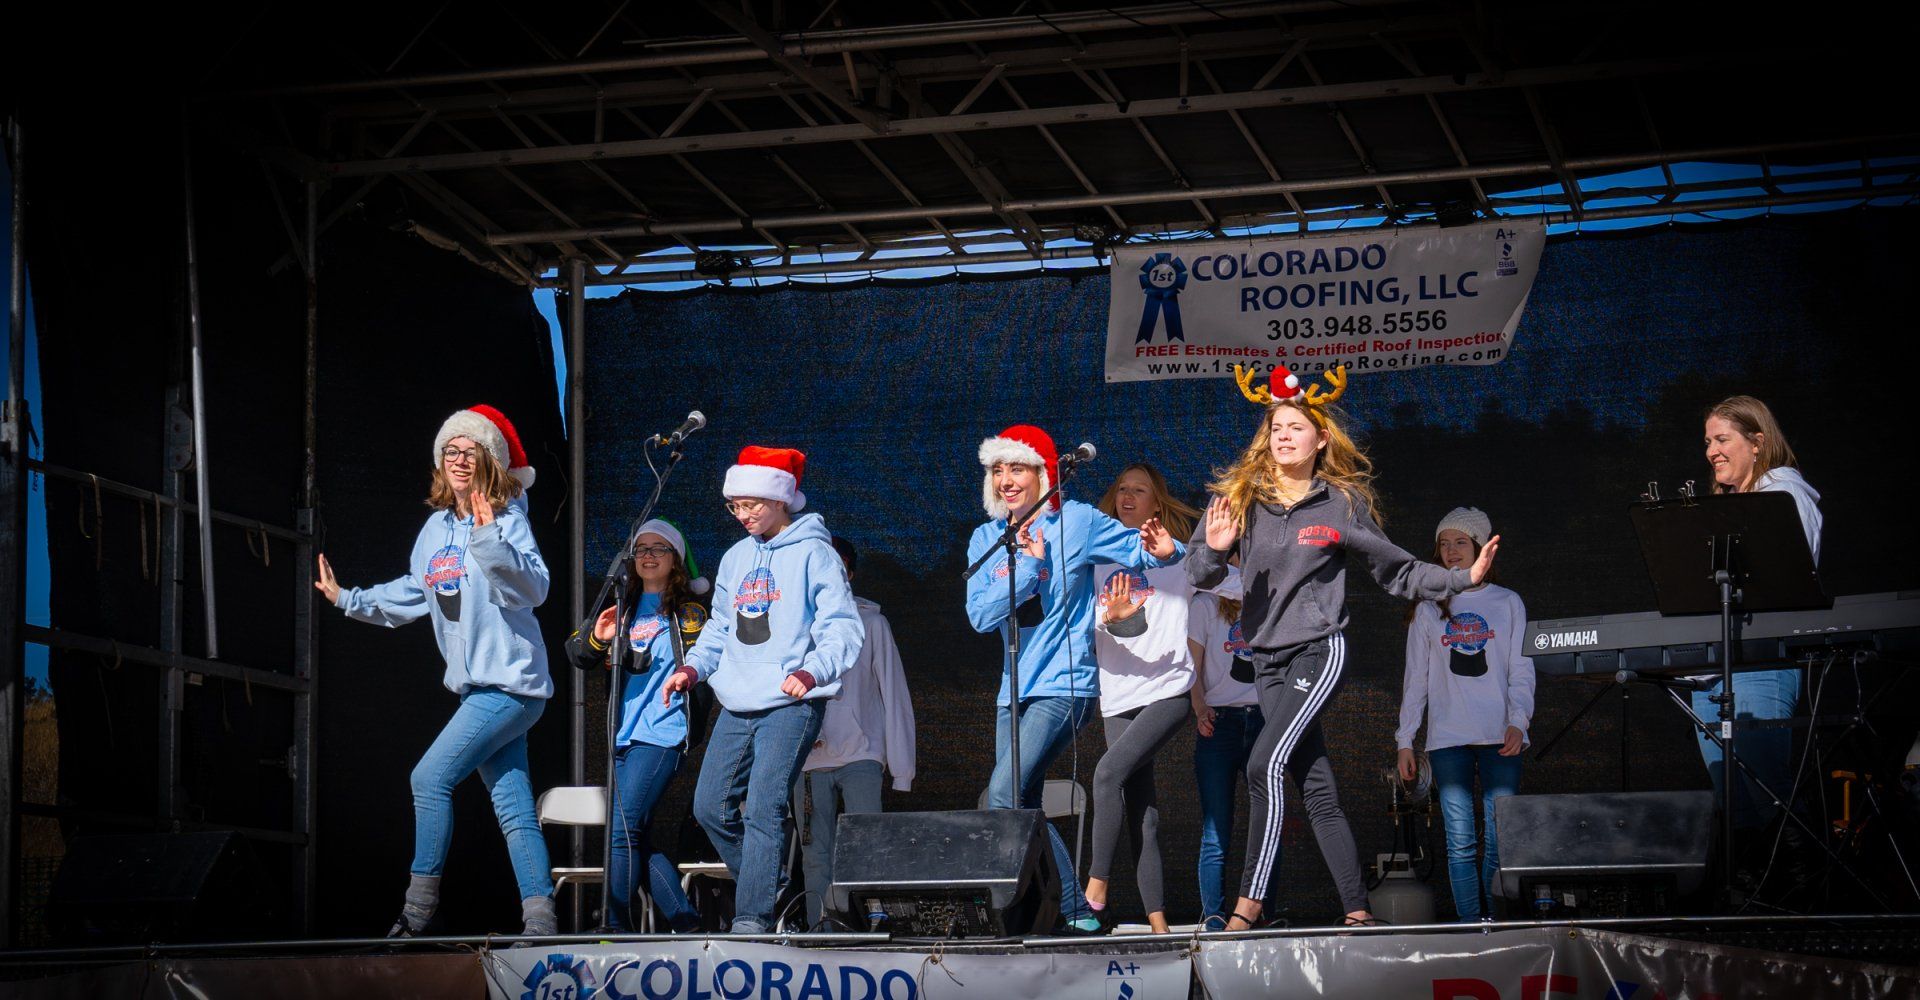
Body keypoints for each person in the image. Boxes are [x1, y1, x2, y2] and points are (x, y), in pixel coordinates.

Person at [1188, 365, 1498, 929]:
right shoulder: (1240, 498)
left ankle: (1246, 910)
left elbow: (1398, 571)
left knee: (1266, 762)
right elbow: (1199, 571)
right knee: (1315, 783)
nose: (1283, 435)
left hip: (1318, 650)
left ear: (1321, 439)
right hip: (1266, 659)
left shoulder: (1340, 504)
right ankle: (1358, 909)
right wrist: (1214, 549)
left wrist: (1460, 579)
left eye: (1295, 427)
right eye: (1276, 426)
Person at [315, 404, 558, 938]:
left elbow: (534, 589)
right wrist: (347, 599)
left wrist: (489, 538)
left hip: (511, 686)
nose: (459, 458)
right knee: (513, 804)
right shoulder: (433, 529)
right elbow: (413, 591)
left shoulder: (509, 517)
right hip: (478, 688)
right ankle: (541, 923)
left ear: (490, 461)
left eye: (470, 450)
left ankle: (417, 913)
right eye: (451, 449)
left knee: (428, 778)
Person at [964, 424, 1182, 934]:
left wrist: (1164, 550)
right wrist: (1029, 571)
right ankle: (1037, 916)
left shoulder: (1078, 520)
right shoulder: (986, 538)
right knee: (1017, 803)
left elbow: (1142, 552)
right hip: (1011, 690)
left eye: (1016, 468)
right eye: (997, 470)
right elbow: (979, 615)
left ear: (1043, 474)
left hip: (1066, 684)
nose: (1005, 479)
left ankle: (1077, 905)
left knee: (1003, 797)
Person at [661, 446, 862, 934]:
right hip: (738, 700)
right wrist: (692, 669)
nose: (744, 515)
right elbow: (720, 627)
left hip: (792, 701)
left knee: (766, 807)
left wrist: (813, 671)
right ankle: (770, 880)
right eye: (736, 506)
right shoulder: (735, 558)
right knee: (709, 807)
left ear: (781, 499)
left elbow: (842, 625)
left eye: (753, 504)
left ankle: (752, 918)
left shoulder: (816, 552)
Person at [562, 519, 710, 933]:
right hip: (623, 736)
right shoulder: (620, 607)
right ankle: (688, 923)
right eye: (640, 548)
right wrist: (600, 636)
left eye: (658, 548)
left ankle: (614, 925)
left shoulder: (689, 613)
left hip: (662, 732)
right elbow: (577, 653)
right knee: (635, 838)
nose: (646, 555)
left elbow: (710, 663)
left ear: (676, 560)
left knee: (620, 833)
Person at [1395, 507, 1534, 922]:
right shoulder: (1428, 607)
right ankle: (1471, 928)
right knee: (1460, 842)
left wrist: (1518, 720)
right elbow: (1414, 680)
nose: (1452, 551)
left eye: (1460, 542)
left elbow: (1521, 668)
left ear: (1480, 547)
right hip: (1448, 739)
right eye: (1444, 543)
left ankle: (1497, 922)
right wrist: (1405, 740)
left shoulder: (1507, 602)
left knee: (1499, 839)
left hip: (1500, 735)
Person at [1082, 463, 1202, 933]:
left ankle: (1095, 888)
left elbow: (1232, 584)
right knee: (1142, 812)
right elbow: (1091, 625)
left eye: (1141, 490)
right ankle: (1159, 923)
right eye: (1122, 489)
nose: (1129, 496)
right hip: (1117, 694)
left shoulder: (1176, 555)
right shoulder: (1095, 559)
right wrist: (1116, 618)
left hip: (1168, 688)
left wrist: (1186, 556)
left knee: (1107, 773)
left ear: (1157, 503)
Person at [1696, 395, 1821, 838]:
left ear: (1758, 442)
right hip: (1712, 672)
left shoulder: (1786, 494)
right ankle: (1752, 899)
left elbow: (1786, 579)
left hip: (1762, 664)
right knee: (1734, 803)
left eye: (1722, 438)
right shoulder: (1725, 505)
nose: (1711, 450)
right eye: (1708, 441)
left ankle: (1805, 893)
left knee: (1769, 792)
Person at [791, 535, 916, 929]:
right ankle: (820, 931)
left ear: (851, 573)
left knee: (867, 846)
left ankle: (872, 926)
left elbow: (894, 693)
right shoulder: (792, 625)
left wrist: (901, 768)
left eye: (839, 567)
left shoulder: (872, 623)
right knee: (816, 853)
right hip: (808, 760)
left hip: (862, 754)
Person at [1186, 558, 1270, 927]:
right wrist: (1200, 707)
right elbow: (1192, 664)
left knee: (1266, 826)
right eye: (1233, 553)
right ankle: (1215, 917)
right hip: (1220, 722)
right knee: (1215, 827)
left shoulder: (1269, 599)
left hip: (1264, 719)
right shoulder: (1204, 603)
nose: (1240, 560)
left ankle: (1261, 913)